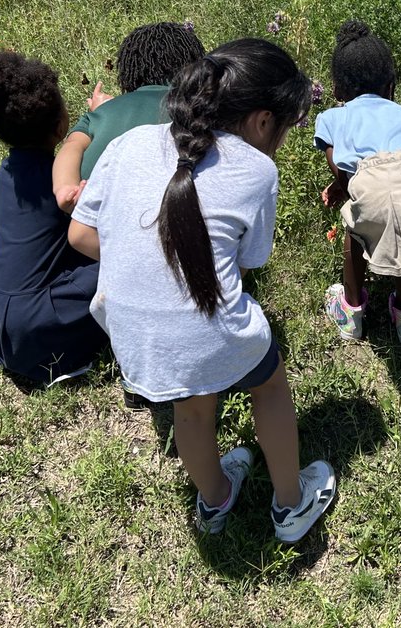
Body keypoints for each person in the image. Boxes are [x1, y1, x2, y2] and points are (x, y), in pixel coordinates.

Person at [69, 39, 335, 543]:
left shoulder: (127, 145)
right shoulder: (257, 170)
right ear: (261, 121)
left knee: (190, 409)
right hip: (212, 328)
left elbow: (80, 236)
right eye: (285, 126)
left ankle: (215, 500)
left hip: (134, 342)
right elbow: (251, 260)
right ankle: (290, 503)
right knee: (270, 383)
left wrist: (140, 252)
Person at [0, 51, 110, 384]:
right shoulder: (60, 181)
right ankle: (61, 355)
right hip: (34, 316)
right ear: (61, 123)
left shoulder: (8, 173)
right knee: (124, 262)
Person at [316, 20, 401, 345]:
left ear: (336, 88)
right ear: (390, 85)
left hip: (376, 185)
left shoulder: (332, 117)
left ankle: (351, 314)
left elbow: (340, 162)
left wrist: (342, 186)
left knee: (356, 228)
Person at [52, 21, 205, 212]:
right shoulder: (201, 110)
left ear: (127, 70)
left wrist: (66, 188)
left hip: (93, 216)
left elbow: (72, 146)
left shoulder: (103, 113)